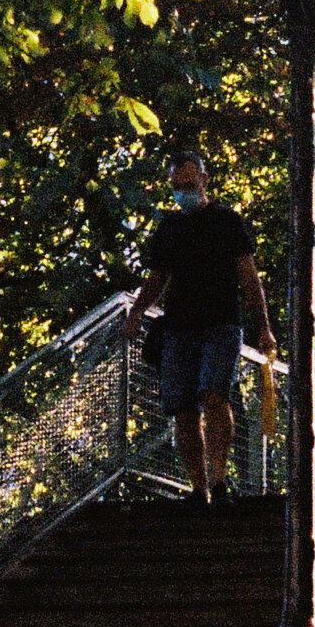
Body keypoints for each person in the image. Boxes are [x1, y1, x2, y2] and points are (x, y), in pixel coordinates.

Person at [123, 147, 276, 501]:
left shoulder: (227, 221)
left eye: (189, 183)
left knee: (213, 394)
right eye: (176, 185)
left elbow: (249, 278)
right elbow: (158, 278)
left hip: (221, 324)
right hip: (178, 328)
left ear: (204, 180)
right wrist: (136, 312)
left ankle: (219, 479)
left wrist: (262, 327)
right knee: (182, 408)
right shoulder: (170, 227)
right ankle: (198, 487)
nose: (183, 191)